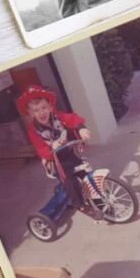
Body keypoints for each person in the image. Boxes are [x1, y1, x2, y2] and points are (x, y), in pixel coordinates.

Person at [18, 85, 102, 221]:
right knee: (70, 180)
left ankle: (97, 197)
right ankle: (80, 205)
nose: (41, 113)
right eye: (36, 110)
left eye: (44, 108)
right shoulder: (33, 131)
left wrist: (81, 129)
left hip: (68, 153)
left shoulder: (59, 117)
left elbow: (73, 119)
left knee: (84, 173)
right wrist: (51, 148)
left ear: (51, 107)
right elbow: (41, 150)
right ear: (31, 113)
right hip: (55, 161)